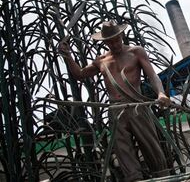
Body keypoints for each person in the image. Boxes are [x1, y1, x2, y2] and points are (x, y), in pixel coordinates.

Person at [59, 20, 170, 181]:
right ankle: (134, 179)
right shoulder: (102, 60)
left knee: (150, 145)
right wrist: (67, 55)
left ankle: (163, 177)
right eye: (110, 41)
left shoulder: (136, 52)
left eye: (116, 39)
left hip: (138, 105)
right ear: (105, 42)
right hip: (116, 109)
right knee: (122, 148)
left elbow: (152, 75)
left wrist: (160, 93)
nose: (114, 44)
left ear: (121, 35)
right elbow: (80, 74)